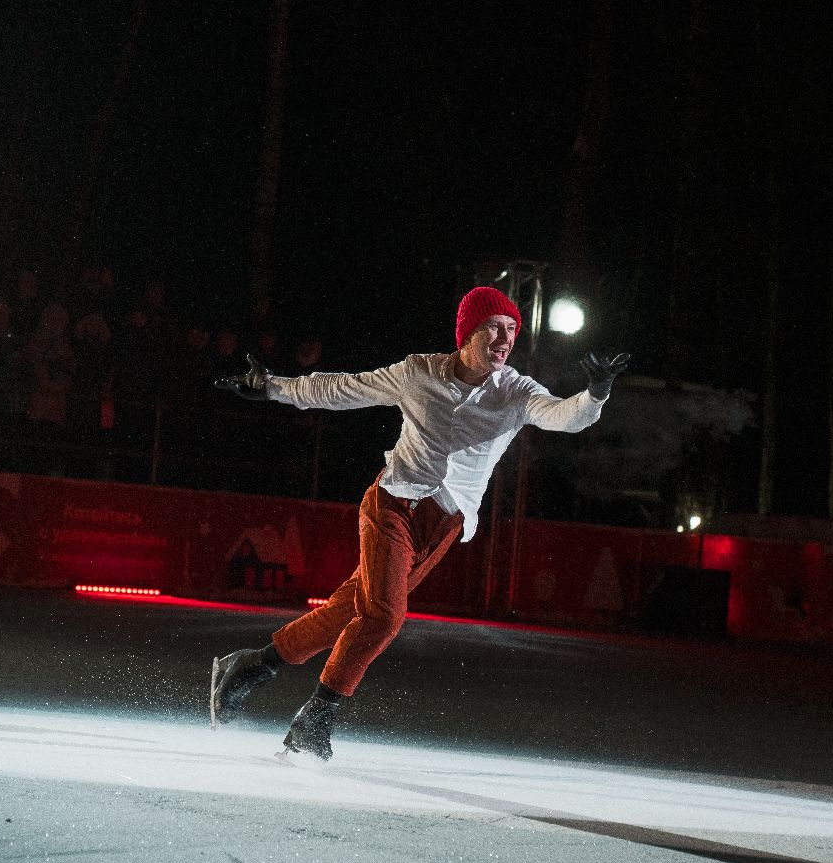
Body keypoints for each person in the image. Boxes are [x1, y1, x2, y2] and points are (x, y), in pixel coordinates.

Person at [209, 285, 630, 760]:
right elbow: (344, 388)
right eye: (494, 327)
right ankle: (316, 720)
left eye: (511, 330)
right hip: (393, 505)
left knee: (350, 612)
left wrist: (595, 394)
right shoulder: (419, 372)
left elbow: (564, 417)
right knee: (384, 617)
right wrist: (272, 388)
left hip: (442, 527)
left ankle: (249, 667)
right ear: (467, 333)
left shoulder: (516, 391)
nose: (504, 338)